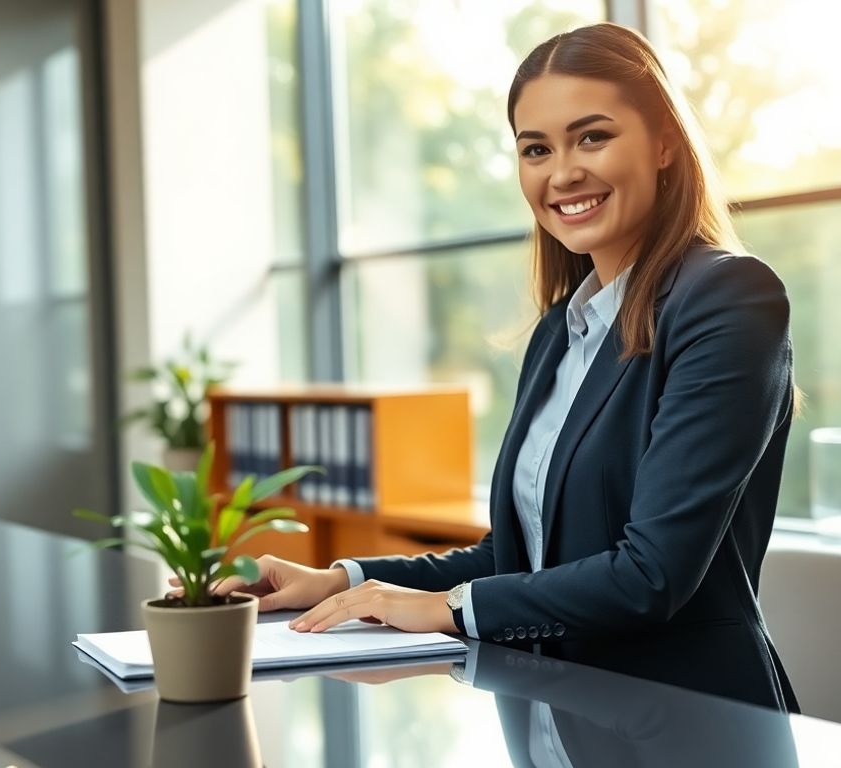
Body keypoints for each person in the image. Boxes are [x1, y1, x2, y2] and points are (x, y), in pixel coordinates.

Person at [189, 21, 800, 713]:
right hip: (552, 708)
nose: (562, 172)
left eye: (592, 136)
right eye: (535, 148)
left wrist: (445, 607)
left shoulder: (728, 297)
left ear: (664, 142)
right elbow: (521, 558)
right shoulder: (561, 330)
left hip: (685, 720)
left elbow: (649, 576)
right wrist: (339, 579)